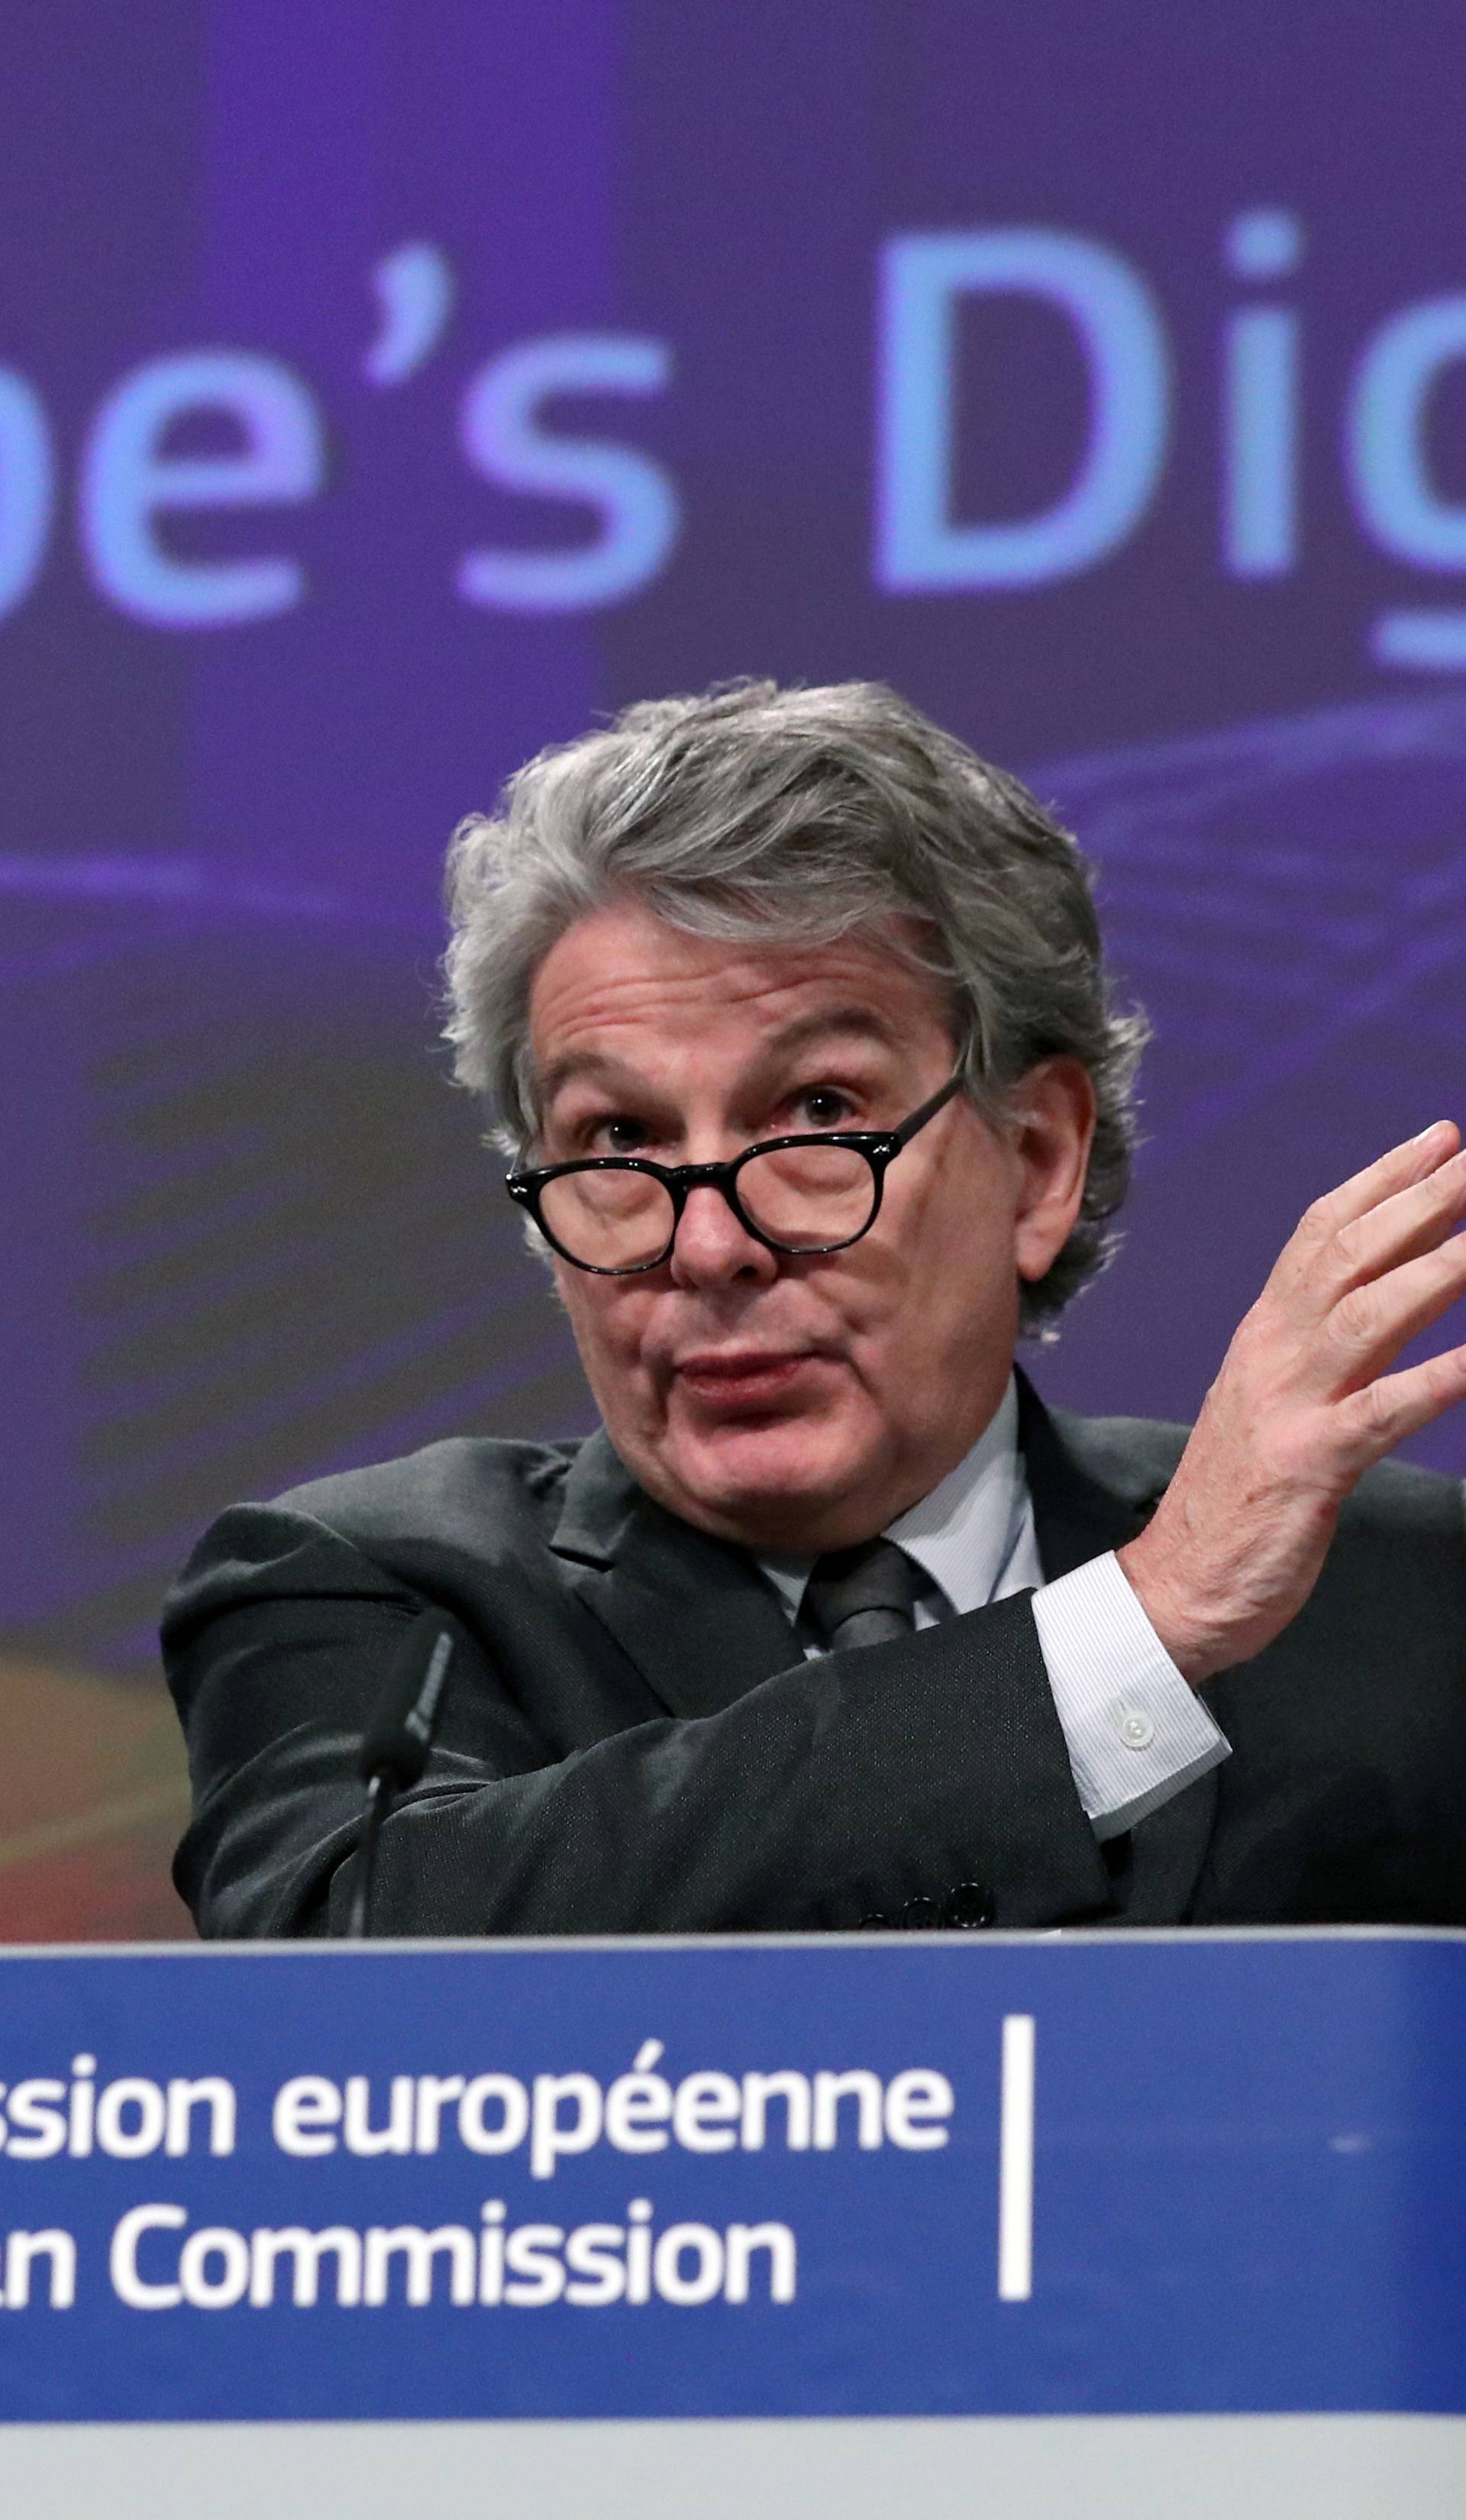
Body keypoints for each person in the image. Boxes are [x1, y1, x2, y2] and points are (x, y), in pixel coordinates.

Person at [163, 680, 1466, 1937]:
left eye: (820, 1113)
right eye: (617, 1135)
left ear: (1036, 1160)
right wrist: (1129, 1635)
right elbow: (352, 1979)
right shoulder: (381, 1604)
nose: (713, 1242)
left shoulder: (1408, 1597)